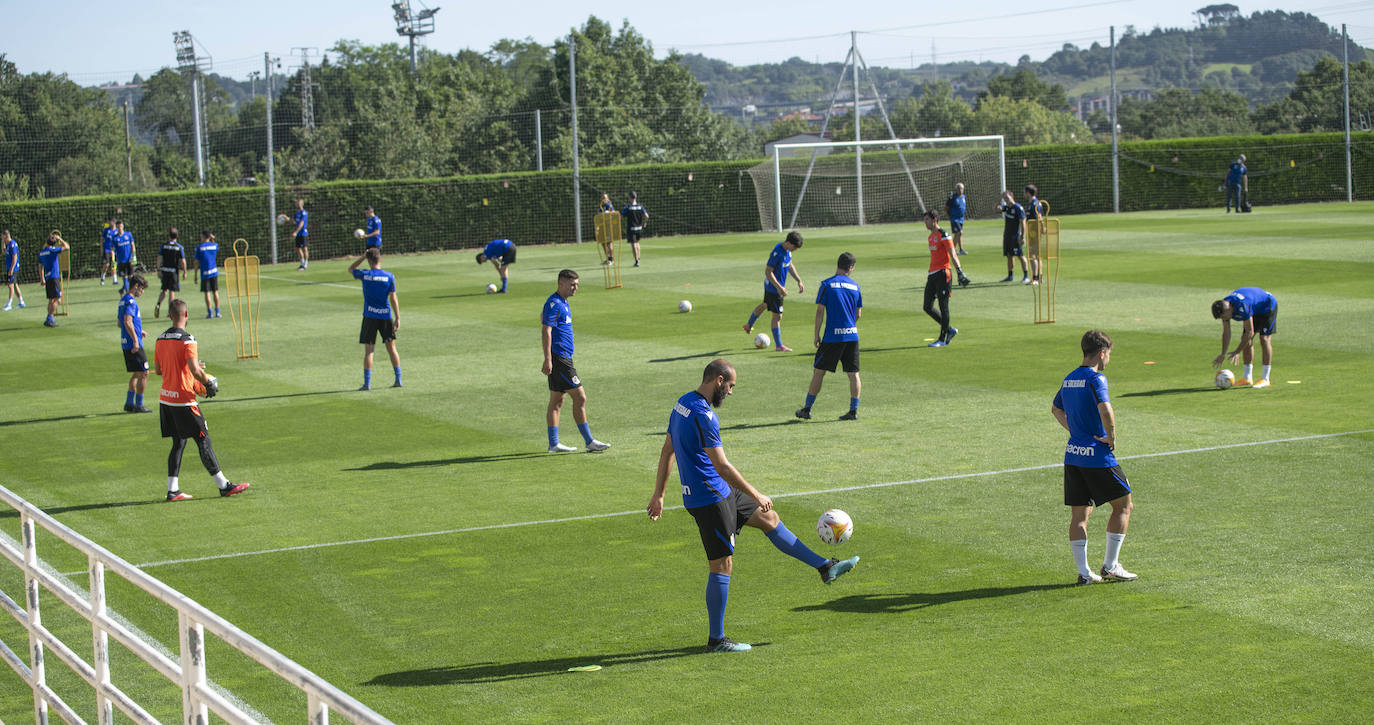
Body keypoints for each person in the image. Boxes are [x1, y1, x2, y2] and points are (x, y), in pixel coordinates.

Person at [648, 358, 860, 653]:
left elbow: (667, 449)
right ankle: (717, 640)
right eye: (731, 385)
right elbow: (721, 464)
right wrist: (755, 493)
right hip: (709, 497)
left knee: (769, 518)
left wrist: (659, 494)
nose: (731, 392)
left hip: (718, 491)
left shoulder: (681, 404)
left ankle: (825, 567)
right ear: (719, 380)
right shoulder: (704, 415)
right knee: (722, 564)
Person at [1051, 329, 1137, 585]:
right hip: (1097, 457)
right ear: (1102, 352)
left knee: (1079, 516)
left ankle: (1084, 573)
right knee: (1124, 505)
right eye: (1108, 353)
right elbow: (1105, 408)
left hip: (1073, 455)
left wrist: (1076, 432)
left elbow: (1056, 409)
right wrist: (1110, 436)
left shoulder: (1069, 378)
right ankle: (1111, 566)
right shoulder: (1096, 379)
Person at [154, 298, 251, 502]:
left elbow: (159, 370)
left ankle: (173, 490)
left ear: (170, 315)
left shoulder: (160, 339)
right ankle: (223, 486)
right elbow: (195, 371)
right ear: (186, 315)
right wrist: (208, 382)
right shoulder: (188, 339)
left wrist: (190, 368)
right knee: (203, 440)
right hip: (184, 400)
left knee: (178, 443)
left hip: (166, 399)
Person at [541, 269, 610, 453]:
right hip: (560, 359)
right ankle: (589, 441)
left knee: (557, 400)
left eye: (577, 284)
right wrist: (548, 359)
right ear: (561, 283)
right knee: (580, 397)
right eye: (572, 284)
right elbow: (546, 329)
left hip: (563, 357)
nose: (575, 288)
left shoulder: (563, 302)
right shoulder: (554, 303)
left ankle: (553, 443)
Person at [796, 252, 862, 420]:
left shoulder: (827, 284)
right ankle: (853, 411)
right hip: (852, 336)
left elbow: (820, 311)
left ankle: (807, 409)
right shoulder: (855, 286)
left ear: (838, 264)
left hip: (833, 337)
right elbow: (858, 314)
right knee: (853, 374)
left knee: (819, 372)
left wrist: (816, 334)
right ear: (851, 267)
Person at [349, 248, 402, 390]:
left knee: (369, 351)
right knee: (392, 349)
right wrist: (397, 317)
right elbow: (393, 297)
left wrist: (361, 257)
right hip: (385, 316)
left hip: (370, 317)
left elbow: (351, 269)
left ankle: (367, 384)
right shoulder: (389, 276)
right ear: (380, 259)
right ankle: (398, 379)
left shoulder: (365, 275)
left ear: (369, 260)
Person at [742, 231, 804, 352]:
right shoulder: (777, 253)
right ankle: (779, 345)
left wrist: (799, 280)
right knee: (777, 316)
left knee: (765, 304)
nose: (795, 249)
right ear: (788, 243)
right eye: (795, 247)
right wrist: (779, 287)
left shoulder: (788, 252)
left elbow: (789, 265)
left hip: (773, 287)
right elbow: (768, 271)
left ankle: (749, 325)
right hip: (773, 289)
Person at [1211, 286, 1276, 389]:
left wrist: (1237, 351)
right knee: (1246, 341)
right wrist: (1223, 354)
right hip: (1254, 308)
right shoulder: (1225, 308)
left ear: (1229, 309)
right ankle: (1247, 378)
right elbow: (1226, 332)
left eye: (1223, 317)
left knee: (1264, 339)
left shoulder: (1243, 306)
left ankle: (1265, 378)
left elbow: (1250, 332)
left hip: (1267, 306)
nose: (1224, 319)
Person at [922, 210, 970, 348]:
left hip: (944, 274)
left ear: (935, 220)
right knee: (927, 307)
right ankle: (949, 330)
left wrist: (960, 272)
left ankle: (942, 339)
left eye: (927, 220)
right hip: (932, 274)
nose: (925, 223)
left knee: (944, 307)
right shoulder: (931, 237)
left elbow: (953, 254)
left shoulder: (944, 235)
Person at [119, 274, 151, 413]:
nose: (142, 292)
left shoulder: (122, 300)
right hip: (133, 344)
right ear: (136, 286)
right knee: (144, 373)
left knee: (137, 373)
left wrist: (139, 331)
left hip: (126, 342)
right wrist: (136, 340)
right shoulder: (131, 302)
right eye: (142, 289)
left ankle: (128, 403)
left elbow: (120, 323)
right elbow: (126, 321)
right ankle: (139, 404)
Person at [996, 190, 1029, 284]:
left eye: (1007, 197)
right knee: (1009, 256)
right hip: (1007, 236)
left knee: (1020, 255)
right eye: (1004, 198)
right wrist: (998, 202)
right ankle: (1010, 276)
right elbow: (998, 208)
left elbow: (1023, 222)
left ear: (1012, 196)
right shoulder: (1006, 208)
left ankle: (1026, 276)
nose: (1005, 199)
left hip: (1016, 236)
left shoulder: (1018, 208)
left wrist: (1022, 236)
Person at [153, 228, 186, 319]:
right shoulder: (179, 247)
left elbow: (159, 258)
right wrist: (185, 271)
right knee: (172, 291)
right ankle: (170, 311)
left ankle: (158, 303)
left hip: (165, 270)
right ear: (177, 236)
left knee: (164, 290)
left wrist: (159, 269)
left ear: (169, 236)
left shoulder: (163, 246)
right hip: (173, 272)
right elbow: (183, 261)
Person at [38, 231, 68, 328]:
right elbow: (67, 247)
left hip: (47, 277)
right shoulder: (53, 250)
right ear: (54, 243)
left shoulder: (42, 252)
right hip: (54, 277)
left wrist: (42, 278)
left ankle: (49, 319)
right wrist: (60, 239)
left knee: (51, 300)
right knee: (58, 299)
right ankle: (49, 318)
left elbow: (40, 266)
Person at [193, 231, 220, 318]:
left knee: (207, 293)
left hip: (205, 273)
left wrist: (195, 275)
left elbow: (196, 262)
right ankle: (218, 312)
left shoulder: (199, 248)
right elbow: (216, 245)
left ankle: (210, 313)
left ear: (204, 237)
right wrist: (213, 238)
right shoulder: (214, 246)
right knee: (215, 292)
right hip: (214, 272)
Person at [620, 191, 648, 267]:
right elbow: (646, 215)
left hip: (631, 228)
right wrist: (644, 223)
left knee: (634, 244)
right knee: (637, 243)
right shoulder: (640, 206)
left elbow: (621, 216)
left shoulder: (628, 207)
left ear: (629, 198)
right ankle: (638, 258)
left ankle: (636, 261)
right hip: (639, 228)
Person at [1023, 184, 1044, 285]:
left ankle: (1035, 279)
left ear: (1028, 193)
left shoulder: (1034, 203)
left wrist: (1042, 228)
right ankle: (1039, 277)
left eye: (1025, 192)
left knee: (1033, 255)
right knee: (1037, 255)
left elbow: (1039, 217)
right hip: (1034, 232)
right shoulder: (1033, 203)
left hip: (1034, 232)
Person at [112, 220, 136, 293]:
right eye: (118, 227)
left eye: (121, 226)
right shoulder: (115, 238)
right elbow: (112, 250)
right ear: (116, 227)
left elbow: (132, 245)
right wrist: (113, 260)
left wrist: (134, 256)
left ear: (123, 226)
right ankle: (128, 293)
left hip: (129, 259)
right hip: (121, 261)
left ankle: (123, 289)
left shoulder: (128, 234)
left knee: (131, 277)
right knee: (125, 277)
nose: (120, 228)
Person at [2, 229, 23, 311]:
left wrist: (11, 269)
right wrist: (2, 242)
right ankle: (21, 302)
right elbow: (3, 252)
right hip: (10, 268)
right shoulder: (7, 244)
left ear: (5, 235)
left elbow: (15, 257)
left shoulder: (12, 244)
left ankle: (9, 304)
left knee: (10, 285)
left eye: (2, 236)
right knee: (14, 285)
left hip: (13, 268)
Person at [944, 183, 968, 255]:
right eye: (959, 188)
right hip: (954, 218)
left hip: (961, 219)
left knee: (959, 234)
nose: (960, 190)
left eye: (962, 188)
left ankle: (960, 249)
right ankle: (952, 249)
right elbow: (946, 207)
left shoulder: (963, 197)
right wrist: (949, 216)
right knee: (959, 232)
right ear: (956, 189)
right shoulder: (953, 198)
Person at [99, 216, 119, 285]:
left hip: (115, 250)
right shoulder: (106, 230)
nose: (110, 223)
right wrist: (101, 249)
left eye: (111, 222)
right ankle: (102, 278)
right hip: (107, 250)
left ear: (114, 223)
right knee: (106, 264)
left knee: (114, 264)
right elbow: (101, 239)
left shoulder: (117, 231)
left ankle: (115, 280)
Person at [598, 193, 616, 265]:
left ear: (607, 198)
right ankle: (608, 258)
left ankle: (612, 259)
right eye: (602, 198)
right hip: (602, 227)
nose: (603, 199)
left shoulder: (609, 206)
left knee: (609, 243)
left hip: (609, 227)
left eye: (604, 198)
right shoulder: (601, 207)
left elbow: (614, 213)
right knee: (603, 243)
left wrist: (608, 213)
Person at [292, 198, 310, 270]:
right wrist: (285, 218)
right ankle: (302, 264)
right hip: (298, 234)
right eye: (297, 203)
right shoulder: (297, 213)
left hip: (303, 233)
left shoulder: (304, 213)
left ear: (302, 204)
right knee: (297, 248)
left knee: (304, 248)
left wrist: (295, 232)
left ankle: (305, 264)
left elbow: (301, 223)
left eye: (299, 203)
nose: (297, 204)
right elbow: (293, 221)